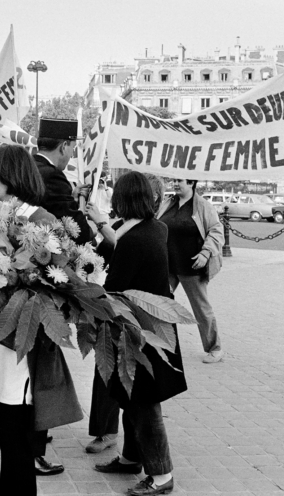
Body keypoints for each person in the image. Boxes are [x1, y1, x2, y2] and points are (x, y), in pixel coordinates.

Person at [0, 144, 83, 496]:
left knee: (17, 448)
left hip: (18, 350)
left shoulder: (42, 222)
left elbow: (64, 282)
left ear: (9, 179)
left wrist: (21, 278)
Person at [91, 171, 185, 496]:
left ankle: (162, 476)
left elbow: (113, 289)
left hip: (140, 330)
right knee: (131, 396)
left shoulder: (134, 239)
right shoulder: (155, 227)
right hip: (153, 325)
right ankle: (132, 458)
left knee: (144, 403)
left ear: (123, 199)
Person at [157, 179, 225, 363]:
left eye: (179, 181)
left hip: (192, 267)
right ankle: (158, 344)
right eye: (174, 180)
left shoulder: (202, 205)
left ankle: (215, 348)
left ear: (191, 183)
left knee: (201, 309)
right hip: (168, 265)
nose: (175, 184)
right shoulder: (167, 203)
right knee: (158, 303)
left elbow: (217, 230)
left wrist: (206, 252)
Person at [33, 118, 95, 245]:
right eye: (72, 149)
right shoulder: (53, 175)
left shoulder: (28, 166)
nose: (71, 155)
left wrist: (72, 199)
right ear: (64, 146)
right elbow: (79, 231)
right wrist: (95, 228)